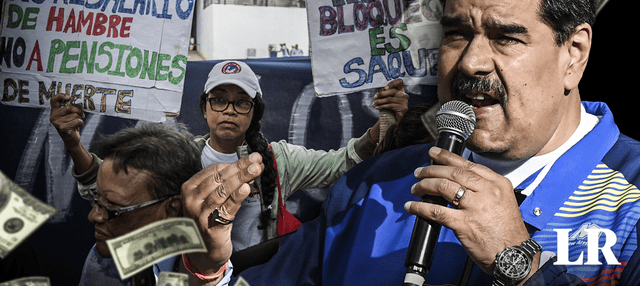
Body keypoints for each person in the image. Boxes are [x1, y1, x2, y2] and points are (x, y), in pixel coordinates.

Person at [178, 0, 640, 285]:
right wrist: (209, 270)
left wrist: (520, 264)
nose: (471, 63)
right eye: (456, 34)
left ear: (573, 55)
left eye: (506, 38)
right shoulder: (374, 186)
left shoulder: (630, 204)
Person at [50, 60, 408, 251]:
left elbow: (343, 162)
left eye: (241, 102)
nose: (229, 110)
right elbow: (104, 189)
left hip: (257, 275)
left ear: (255, 111)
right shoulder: (178, 156)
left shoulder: (277, 159)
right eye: (218, 99)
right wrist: (72, 142)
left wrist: (386, 120)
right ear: (204, 108)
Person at [74, 123, 202, 285]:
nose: (93, 216)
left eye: (113, 205)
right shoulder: (104, 258)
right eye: (98, 199)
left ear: (171, 209)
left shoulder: (204, 271)